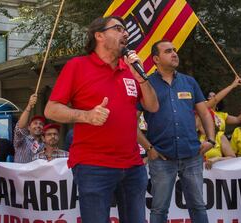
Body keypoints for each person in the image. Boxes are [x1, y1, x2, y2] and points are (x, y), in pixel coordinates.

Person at [44, 16, 159, 223]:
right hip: (93, 165)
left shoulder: (130, 70)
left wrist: (141, 77)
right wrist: (86, 115)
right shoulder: (77, 66)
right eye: (118, 29)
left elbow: (153, 106)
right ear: (99, 36)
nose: (126, 33)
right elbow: (51, 110)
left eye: (126, 30)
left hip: (133, 166)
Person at [137, 39, 215, 223]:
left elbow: (205, 112)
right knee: (159, 209)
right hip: (162, 157)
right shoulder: (146, 85)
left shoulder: (189, 82)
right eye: (168, 51)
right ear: (156, 58)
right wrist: (149, 149)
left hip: (192, 155)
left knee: (198, 206)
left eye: (174, 50)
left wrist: (211, 140)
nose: (174, 54)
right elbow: (131, 123)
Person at [13, 94, 46, 163]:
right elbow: (20, 127)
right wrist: (29, 106)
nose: (38, 126)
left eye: (41, 124)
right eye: (35, 123)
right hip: (22, 173)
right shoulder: (21, 139)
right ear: (28, 127)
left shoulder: (45, 144)